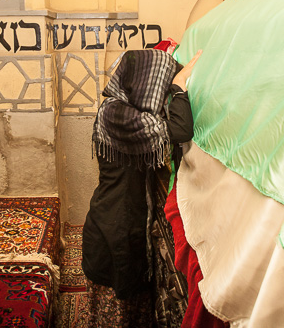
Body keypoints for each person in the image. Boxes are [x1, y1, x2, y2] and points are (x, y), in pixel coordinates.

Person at [81, 47, 202, 328]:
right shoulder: (118, 114)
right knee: (114, 312)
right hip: (113, 230)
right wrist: (180, 89)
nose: (162, 97)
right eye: (159, 87)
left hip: (123, 223)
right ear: (142, 81)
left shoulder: (126, 109)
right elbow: (181, 130)